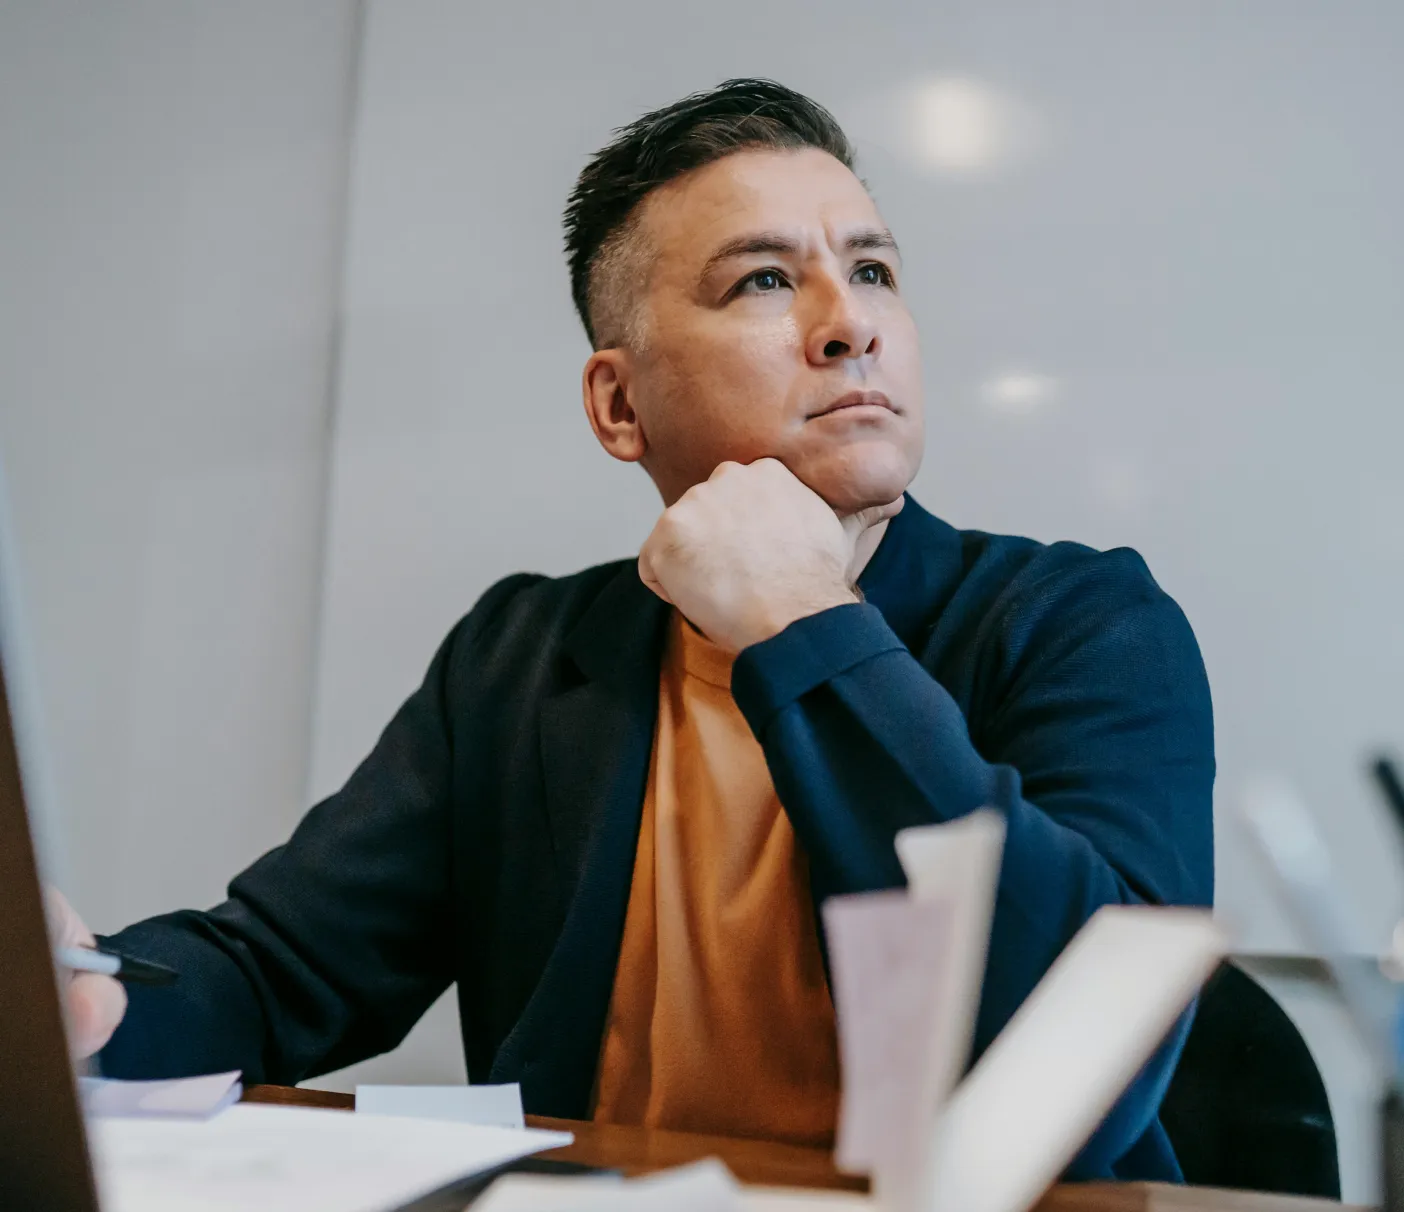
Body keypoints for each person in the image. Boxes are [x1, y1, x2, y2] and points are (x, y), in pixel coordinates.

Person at [55, 78, 1213, 1180]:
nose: (848, 323)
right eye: (764, 281)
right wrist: (81, 1002)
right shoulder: (521, 656)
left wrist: (805, 620)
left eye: (872, 270)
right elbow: (277, 973)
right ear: (620, 403)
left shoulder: (1082, 621)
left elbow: (1082, 1059)